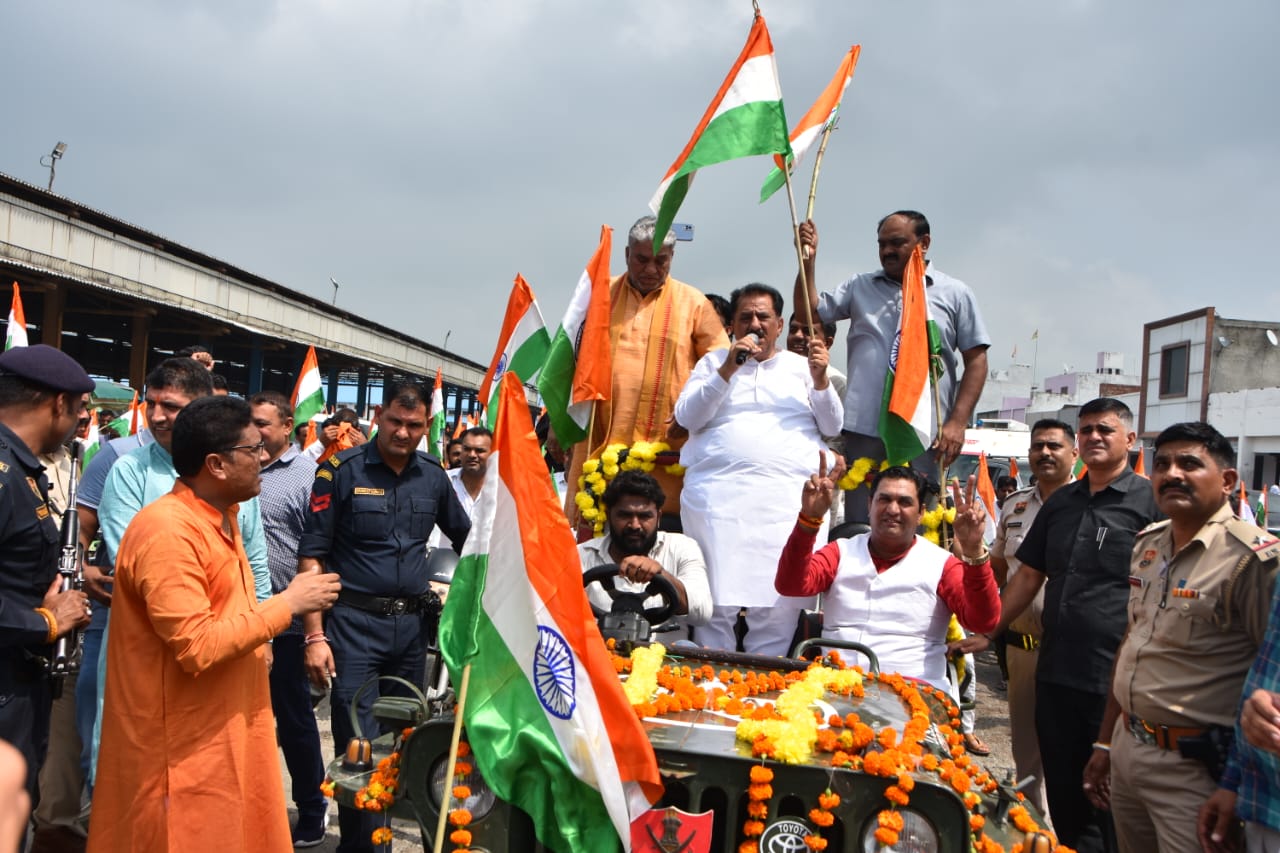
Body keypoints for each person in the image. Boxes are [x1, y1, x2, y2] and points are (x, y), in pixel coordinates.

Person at [87, 396, 341, 853]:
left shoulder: (223, 517)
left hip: (224, 730)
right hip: (180, 751)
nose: (264, 459)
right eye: (253, 450)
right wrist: (290, 603)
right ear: (216, 465)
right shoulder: (168, 531)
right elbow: (196, 645)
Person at [1061, 422, 1274, 852]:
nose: (1171, 474)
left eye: (1189, 464)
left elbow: (1269, 677)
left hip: (1194, 768)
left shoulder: (1253, 561)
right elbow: (1133, 645)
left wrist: (1237, 782)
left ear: (1228, 481)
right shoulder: (1148, 543)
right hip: (1128, 746)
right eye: (1162, 464)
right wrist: (1105, 742)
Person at [297, 381, 471, 853]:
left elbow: (468, 543)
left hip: (411, 634)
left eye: (415, 425)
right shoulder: (339, 470)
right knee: (358, 747)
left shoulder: (434, 477)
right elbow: (312, 557)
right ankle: (360, 848)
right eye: (395, 421)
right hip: (353, 628)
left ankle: (383, 840)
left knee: (402, 747)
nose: (403, 432)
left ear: (427, 426)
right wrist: (315, 637)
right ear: (378, 415)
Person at [90, 360, 273, 779]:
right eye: (151, 404)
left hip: (231, 653)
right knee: (144, 775)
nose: (156, 416)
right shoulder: (130, 472)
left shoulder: (241, 480)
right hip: (161, 651)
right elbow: (134, 567)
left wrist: (260, 638)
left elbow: (254, 566)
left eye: (170, 406)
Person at [996, 398, 1161, 852]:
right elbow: (1029, 574)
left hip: (1114, 679)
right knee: (1066, 798)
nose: (1093, 438)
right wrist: (985, 627)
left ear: (1130, 439)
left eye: (1104, 430)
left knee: (1108, 798)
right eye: (1086, 430)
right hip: (1055, 672)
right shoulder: (1062, 502)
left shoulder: (1151, 501)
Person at [675, 283, 842, 655]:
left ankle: (763, 690)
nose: (755, 323)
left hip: (783, 505)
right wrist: (726, 370)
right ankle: (708, 686)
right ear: (732, 325)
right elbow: (688, 417)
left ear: (779, 324)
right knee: (714, 601)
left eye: (763, 316)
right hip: (718, 503)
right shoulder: (712, 363)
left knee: (777, 602)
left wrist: (820, 381)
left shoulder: (804, 368)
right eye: (745, 317)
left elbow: (831, 427)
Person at [794, 212, 990, 523]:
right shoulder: (860, 286)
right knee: (863, 524)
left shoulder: (955, 293)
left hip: (925, 433)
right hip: (865, 432)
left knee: (921, 526)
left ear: (923, 243)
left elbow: (977, 361)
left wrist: (957, 423)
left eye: (897, 243)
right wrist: (807, 261)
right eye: (882, 244)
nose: (887, 251)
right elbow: (808, 313)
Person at [563, 216, 729, 528]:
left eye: (660, 261)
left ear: (672, 259)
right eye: (641, 260)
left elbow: (721, 367)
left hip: (668, 460)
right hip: (602, 452)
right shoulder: (598, 296)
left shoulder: (695, 303)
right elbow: (569, 358)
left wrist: (691, 413)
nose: (651, 270)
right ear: (626, 254)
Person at [948, 419, 1078, 817]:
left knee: (1076, 755)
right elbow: (1000, 573)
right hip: (1022, 651)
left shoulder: (1092, 504)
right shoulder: (1014, 506)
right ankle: (1037, 832)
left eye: (1055, 445)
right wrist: (986, 624)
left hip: (1077, 654)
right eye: (1038, 446)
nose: (1045, 453)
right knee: (1027, 755)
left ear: (1074, 453)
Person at [777, 460, 998, 691]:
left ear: (921, 513)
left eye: (904, 502)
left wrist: (974, 552)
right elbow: (790, 586)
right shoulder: (839, 552)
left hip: (916, 694)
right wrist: (808, 521)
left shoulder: (942, 564)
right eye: (884, 499)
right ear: (870, 505)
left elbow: (982, 621)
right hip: (834, 688)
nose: (893, 509)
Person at [0, 345, 94, 850]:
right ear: (59, 403)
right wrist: (44, 621)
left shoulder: (23, 468)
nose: (80, 422)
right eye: (79, 410)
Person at [250, 391, 328, 847]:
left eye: (263, 423)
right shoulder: (229, 467)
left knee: (294, 721)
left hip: (287, 623)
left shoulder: (306, 478)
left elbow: (316, 552)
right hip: (240, 619)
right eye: (250, 422)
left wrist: (313, 628)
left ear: (286, 427)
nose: (256, 431)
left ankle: (312, 809)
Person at [578, 471, 711, 637]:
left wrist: (661, 575)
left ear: (658, 517)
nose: (634, 525)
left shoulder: (682, 547)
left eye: (644, 516)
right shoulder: (581, 555)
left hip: (667, 659)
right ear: (608, 516)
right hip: (597, 656)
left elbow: (701, 614)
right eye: (625, 515)